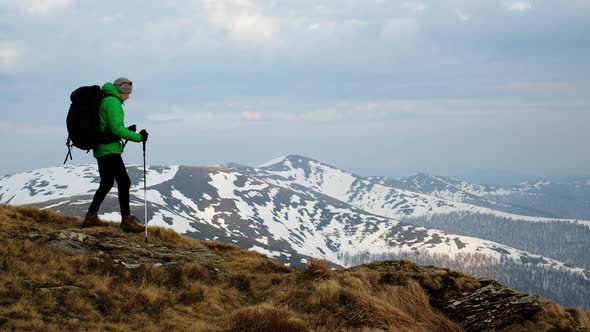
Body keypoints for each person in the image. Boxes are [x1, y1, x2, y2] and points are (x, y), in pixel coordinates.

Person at [81, 77, 149, 233]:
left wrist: (127, 131)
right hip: (109, 149)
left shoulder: (105, 100)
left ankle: (91, 216)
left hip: (101, 148)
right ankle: (126, 221)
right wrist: (138, 137)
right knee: (124, 182)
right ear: (121, 90)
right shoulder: (113, 103)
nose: (129, 96)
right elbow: (116, 130)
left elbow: (111, 127)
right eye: (127, 92)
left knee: (106, 183)